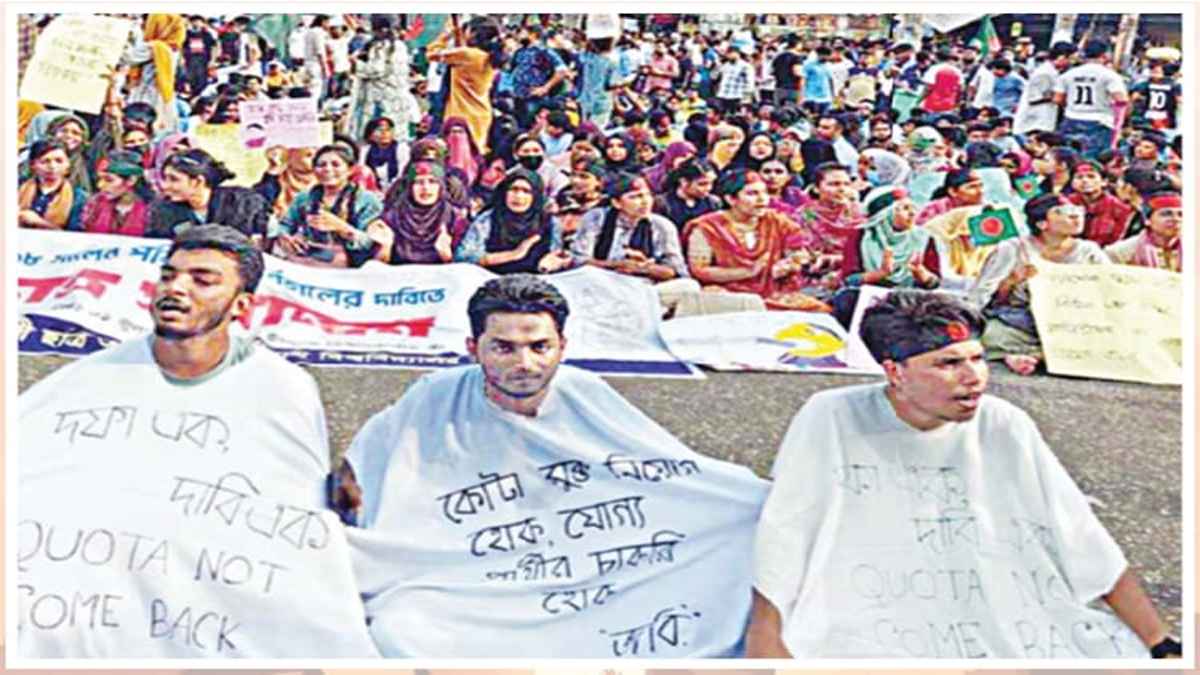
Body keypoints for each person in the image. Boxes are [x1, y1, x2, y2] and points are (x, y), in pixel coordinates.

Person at [746, 289, 1180, 659]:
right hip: (870, 608)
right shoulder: (831, 416)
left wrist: (1159, 643)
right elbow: (788, 530)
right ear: (895, 372)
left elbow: (1078, 534)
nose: (974, 377)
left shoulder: (1003, 423)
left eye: (978, 358)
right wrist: (765, 640)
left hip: (996, 607)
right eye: (949, 363)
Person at [968, 193, 1110, 375]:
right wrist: (1012, 280)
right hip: (1023, 322)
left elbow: (1110, 286)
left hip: (1073, 322)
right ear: (1042, 224)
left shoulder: (1088, 250)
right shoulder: (1013, 248)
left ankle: (1030, 355)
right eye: (1062, 212)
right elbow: (984, 295)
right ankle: (1041, 355)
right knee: (990, 335)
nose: (1075, 216)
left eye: (1077, 210)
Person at [683, 169, 831, 312]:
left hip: (774, 292)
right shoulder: (707, 227)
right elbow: (699, 270)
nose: (762, 199)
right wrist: (748, 272)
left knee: (820, 311)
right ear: (731, 199)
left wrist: (790, 264)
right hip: (728, 292)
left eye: (764, 192)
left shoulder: (778, 221)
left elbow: (798, 253)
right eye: (752, 193)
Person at [274, 144, 385, 268]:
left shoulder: (367, 200)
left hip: (353, 268)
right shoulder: (305, 197)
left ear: (350, 170)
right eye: (321, 165)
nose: (327, 169)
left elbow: (374, 243)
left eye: (335, 165)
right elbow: (285, 225)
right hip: (309, 260)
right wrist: (288, 238)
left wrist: (343, 228)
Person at [569, 172, 689, 283]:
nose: (645, 202)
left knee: (688, 286)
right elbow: (579, 261)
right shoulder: (596, 218)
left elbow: (675, 270)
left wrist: (642, 268)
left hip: (644, 285)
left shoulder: (662, 225)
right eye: (635, 197)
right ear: (616, 203)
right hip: (600, 281)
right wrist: (617, 264)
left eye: (647, 195)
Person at [454, 167, 574, 275]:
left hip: (536, 282)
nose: (518, 196)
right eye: (513, 189)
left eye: (526, 191)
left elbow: (555, 258)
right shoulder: (488, 218)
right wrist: (514, 254)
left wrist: (551, 263)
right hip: (492, 280)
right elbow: (463, 257)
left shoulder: (549, 222)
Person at [147, 149, 273, 245]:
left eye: (174, 179)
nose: (164, 185)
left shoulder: (245, 204)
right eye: (165, 178)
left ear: (198, 182)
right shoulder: (163, 211)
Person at [426, 16, 505, 153]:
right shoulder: (488, 56)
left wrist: (445, 35)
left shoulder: (467, 54)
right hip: (481, 112)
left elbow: (431, 54)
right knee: (476, 154)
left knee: (456, 154)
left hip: (461, 112)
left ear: (474, 33)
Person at [377, 159, 469, 265]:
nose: (425, 188)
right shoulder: (392, 218)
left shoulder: (455, 220)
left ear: (441, 186)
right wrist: (385, 247)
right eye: (419, 182)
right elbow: (378, 265)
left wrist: (446, 255)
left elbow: (465, 265)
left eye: (432, 181)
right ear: (410, 187)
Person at [347, 16, 418, 144]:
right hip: (397, 97)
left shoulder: (381, 46)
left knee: (376, 133)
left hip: (380, 98)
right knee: (395, 133)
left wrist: (355, 63)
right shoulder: (400, 45)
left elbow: (376, 70)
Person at [1054, 40, 1129, 159]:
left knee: (1069, 157)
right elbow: (1121, 99)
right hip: (1099, 121)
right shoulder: (1110, 75)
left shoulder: (1068, 74)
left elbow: (1057, 99)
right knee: (1094, 160)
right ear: (1105, 55)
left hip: (1071, 118)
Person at [18, 139, 87, 230]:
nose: (52, 167)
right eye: (45, 161)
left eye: (59, 161)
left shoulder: (78, 196)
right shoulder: (18, 186)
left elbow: (75, 234)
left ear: (68, 164)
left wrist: (40, 222)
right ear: (32, 165)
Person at [1105, 191, 1182, 272]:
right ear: (1147, 220)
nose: (1176, 219)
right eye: (1166, 214)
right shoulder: (1121, 252)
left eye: (1181, 214)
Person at [77, 150, 150, 236]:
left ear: (131, 180)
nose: (100, 185)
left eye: (109, 180)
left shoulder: (150, 211)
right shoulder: (94, 204)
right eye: (100, 179)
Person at [1066, 160, 1137, 247]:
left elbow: (1119, 241)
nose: (1085, 180)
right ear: (1072, 183)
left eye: (1091, 176)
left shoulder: (1119, 208)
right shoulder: (1065, 204)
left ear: (1104, 182)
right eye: (1079, 177)